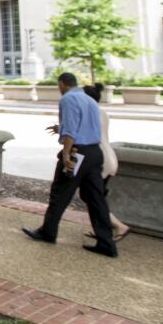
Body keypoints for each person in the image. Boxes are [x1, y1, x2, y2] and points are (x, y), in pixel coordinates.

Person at [22, 72, 118, 258]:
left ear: (61, 84)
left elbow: (73, 130)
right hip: (94, 152)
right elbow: (88, 125)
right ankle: (107, 243)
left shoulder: (68, 99)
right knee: (96, 199)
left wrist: (66, 153)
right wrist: (61, 128)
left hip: (77, 153)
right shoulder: (89, 99)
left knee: (60, 193)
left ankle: (48, 232)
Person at [81, 83, 130, 241]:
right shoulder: (102, 112)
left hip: (98, 160)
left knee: (93, 196)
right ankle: (102, 229)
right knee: (93, 195)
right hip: (109, 157)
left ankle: (118, 226)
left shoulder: (89, 112)